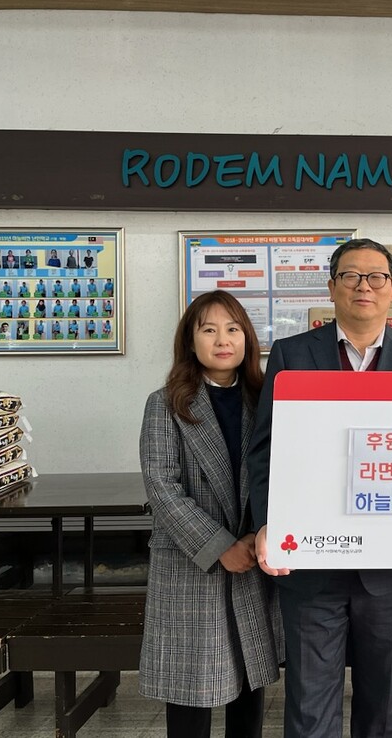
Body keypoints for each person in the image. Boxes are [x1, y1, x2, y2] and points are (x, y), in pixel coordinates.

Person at [248, 238, 392, 738]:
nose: (364, 286)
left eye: (376, 276)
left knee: (382, 705)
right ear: (332, 287)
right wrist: (268, 524)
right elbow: (266, 449)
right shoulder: (292, 354)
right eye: (351, 276)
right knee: (310, 706)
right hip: (311, 561)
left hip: (390, 568)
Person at [140, 290, 282, 738]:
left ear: (247, 339)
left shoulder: (264, 399)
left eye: (233, 329)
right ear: (190, 340)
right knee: (190, 689)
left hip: (253, 557)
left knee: (248, 681)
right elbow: (162, 488)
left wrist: (256, 535)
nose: (223, 340)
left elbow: (281, 473)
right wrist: (220, 546)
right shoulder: (166, 403)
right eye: (209, 330)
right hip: (192, 563)